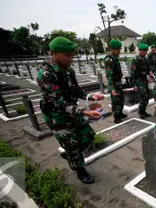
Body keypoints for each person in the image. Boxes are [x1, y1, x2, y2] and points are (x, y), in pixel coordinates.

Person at [37, 37, 105, 184]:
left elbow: (76, 90)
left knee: (88, 136)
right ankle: (80, 171)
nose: (71, 59)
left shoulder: (69, 71)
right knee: (72, 144)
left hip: (72, 111)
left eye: (72, 55)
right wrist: (84, 112)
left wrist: (91, 96)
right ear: (53, 53)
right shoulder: (45, 75)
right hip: (57, 116)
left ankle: (70, 154)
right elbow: (59, 102)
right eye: (67, 55)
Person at [105, 40, 127, 123]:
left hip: (118, 82)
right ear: (112, 49)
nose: (119, 51)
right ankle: (116, 116)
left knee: (121, 99)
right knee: (115, 100)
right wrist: (112, 88)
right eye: (118, 49)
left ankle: (120, 112)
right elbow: (109, 75)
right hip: (114, 83)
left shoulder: (115, 58)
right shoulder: (109, 60)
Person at [131, 43, 152, 119]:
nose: (145, 52)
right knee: (143, 96)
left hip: (144, 80)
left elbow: (148, 69)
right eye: (143, 51)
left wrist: (150, 74)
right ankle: (140, 111)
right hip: (138, 80)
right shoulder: (135, 59)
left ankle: (143, 111)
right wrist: (134, 84)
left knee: (146, 97)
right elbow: (133, 73)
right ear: (139, 51)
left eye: (146, 51)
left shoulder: (145, 59)